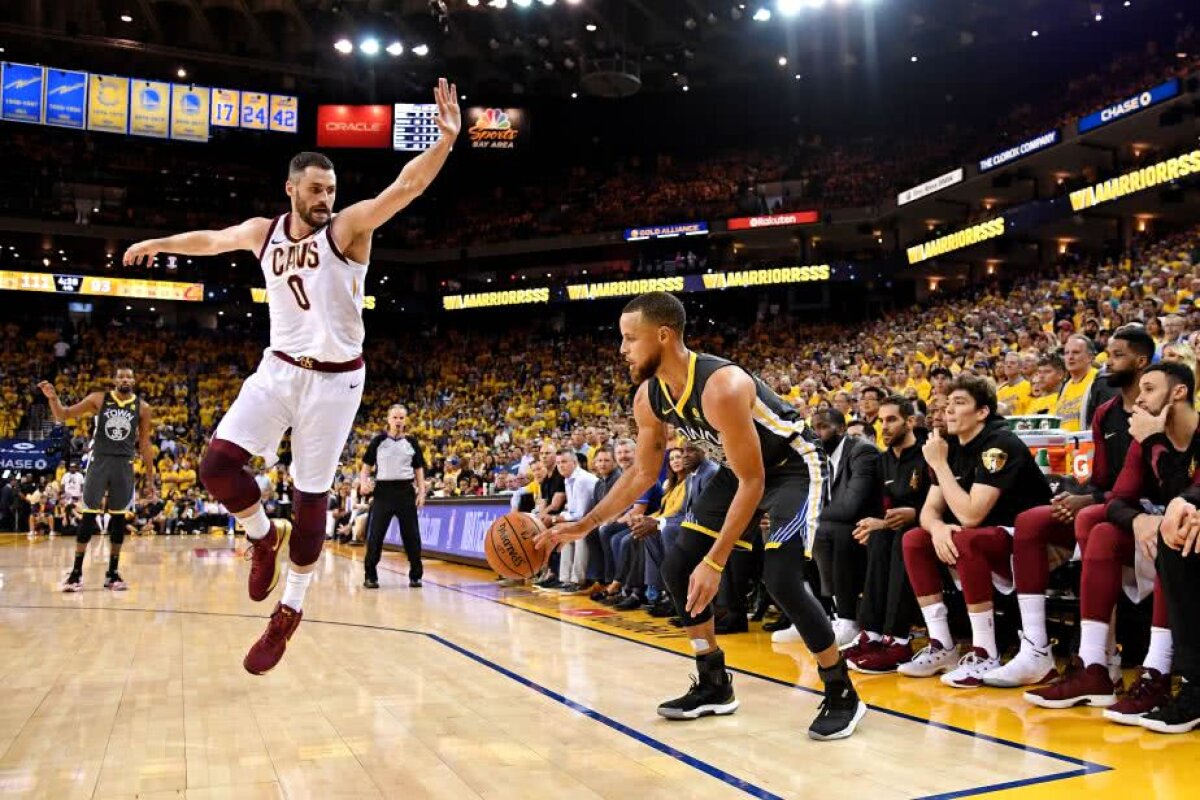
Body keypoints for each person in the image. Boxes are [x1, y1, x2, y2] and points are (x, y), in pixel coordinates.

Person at [123, 79, 460, 675]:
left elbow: (404, 187)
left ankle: (290, 611)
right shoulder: (266, 231)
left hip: (336, 383)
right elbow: (213, 239)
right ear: (291, 189)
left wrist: (446, 141)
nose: (324, 198)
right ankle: (259, 536)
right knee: (215, 467)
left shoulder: (350, 229)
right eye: (314, 189)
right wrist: (160, 242)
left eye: (330, 189)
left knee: (311, 506)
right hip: (278, 370)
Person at [538, 292, 865, 741]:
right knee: (676, 565)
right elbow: (641, 473)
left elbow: (755, 482)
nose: (621, 350)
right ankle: (714, 683)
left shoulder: (721, 386)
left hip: (791, 466)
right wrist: (583, 525)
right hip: (740, 471)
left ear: (664, 335)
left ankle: (841, 689)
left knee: (782, 577)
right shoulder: (649, 397)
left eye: (630, 339)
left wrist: (715, 562)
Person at [982, 325, 1152, 689]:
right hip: (1104, 504)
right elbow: (1101, 479)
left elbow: (1147, 486)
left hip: (1139, 512)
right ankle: (1036, 650)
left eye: (1118, 354)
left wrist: (1087, 501)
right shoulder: (1105, 412)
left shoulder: (1155, 411)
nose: (1109, 359)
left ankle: (1101, 659)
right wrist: (1076, 499)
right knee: (1030, 521)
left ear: (1141, 362)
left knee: (1091, 519)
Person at [1024, 362, 1195, 715]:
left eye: (1149, 389)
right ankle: (1094, 664)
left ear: (1178, 393)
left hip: (1189, 538)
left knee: (1174, 532)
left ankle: (1159, 671)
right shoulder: (1145, 437)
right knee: (1101, 530)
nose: (1137, 400)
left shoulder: (1167, 434)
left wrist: (1153, 442)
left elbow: (1188, 495)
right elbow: (1117, 497)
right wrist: (1139, 520)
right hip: (1170, 537)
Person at [899, 375, 1051, 687]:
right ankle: (943, 645)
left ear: (982, 412)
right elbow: (928, 512)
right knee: (915, 539)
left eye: (959, 403)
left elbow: (971, 515)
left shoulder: (999, 443)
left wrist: (939, 466)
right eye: (946, 404)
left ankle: (985, 653)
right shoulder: (952, 447)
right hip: (982, 536)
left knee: (966, 537)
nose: (948, 411)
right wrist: (938, 528)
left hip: (1027, 539)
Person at [39, 366, 156, 591]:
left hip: (124, 463)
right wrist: (53, 399)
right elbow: (63, 415)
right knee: (88, 517)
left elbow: (145, 443)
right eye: (121, 376)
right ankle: (75, 573)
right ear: (114, 380)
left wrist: (150, 480)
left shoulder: (143, 408)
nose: (125, 379)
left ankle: (112, 574)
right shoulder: (98, 399)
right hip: (99, 461)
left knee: (119, 520)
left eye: (129, 376)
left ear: (134, 381)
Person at [845, 395, 930, 673]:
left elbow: (943, 504)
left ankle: (899, 640)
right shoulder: (883, 462)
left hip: (929, 530)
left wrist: (915, 514)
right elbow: (885, 509)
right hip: (895, 531)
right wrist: (874, 523)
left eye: (892, 420)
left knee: (902, 536)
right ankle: (873, 633)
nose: (885, 426)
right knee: (879, 536)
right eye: (881, 421)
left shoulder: (928, 453)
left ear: (910, 422)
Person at [809, 409, 881, 648]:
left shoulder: (862, 451)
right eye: (813, 428)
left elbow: (851, 507)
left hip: (868, 525)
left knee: (826, 530)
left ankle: (847, 619)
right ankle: (810, 617)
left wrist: (808, 516)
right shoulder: (818, 456)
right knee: (790, 532)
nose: (816, 434)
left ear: (841, 429)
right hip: (837, 525)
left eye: (822, 427)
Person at [360, 404, 427, 589]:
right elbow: (366, 466)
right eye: (395, 417)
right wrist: (364, 483)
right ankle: (370, 575)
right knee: (376, 536)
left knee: (412, 536)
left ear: (405, 421)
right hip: (383, 492)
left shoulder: (412, 443)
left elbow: (419, 469)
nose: (398, 421)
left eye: (401, 418)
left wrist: (421, 492)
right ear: (388, 420)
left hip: (405, 491)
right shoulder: (378, 441)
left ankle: (416, 575)